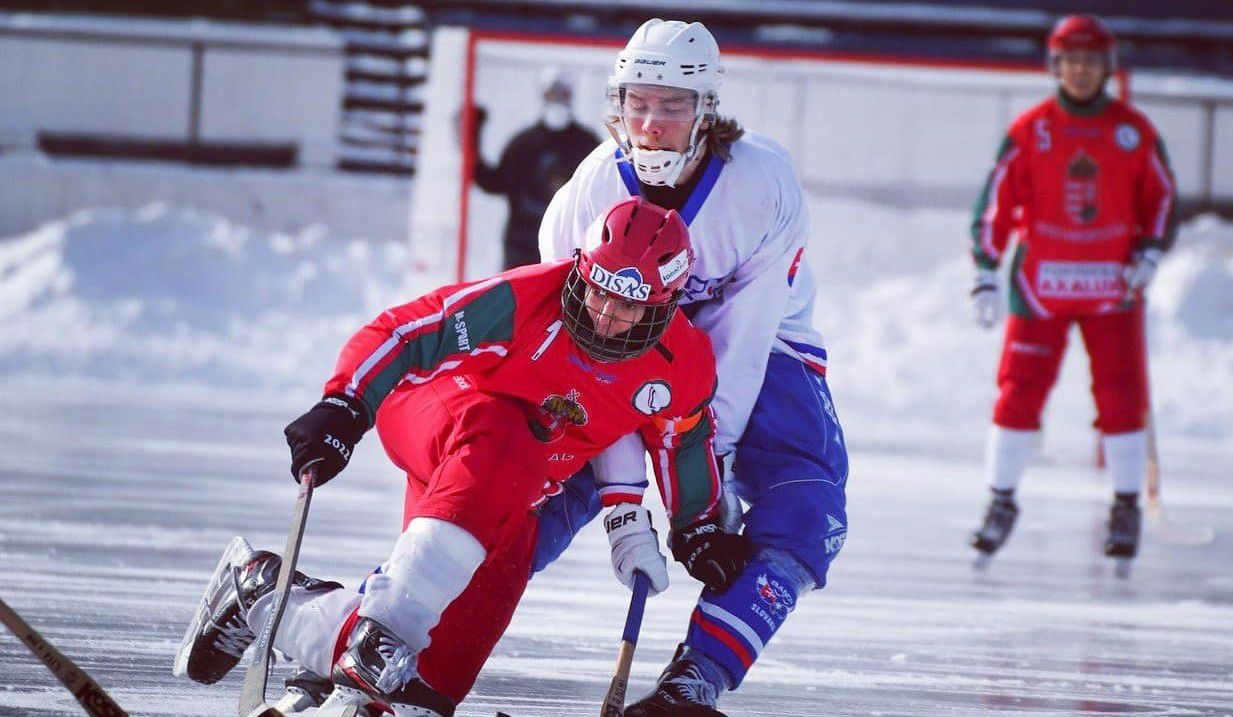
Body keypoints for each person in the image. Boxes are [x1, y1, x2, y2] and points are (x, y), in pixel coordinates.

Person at [174, 198, 727, 717]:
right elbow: (411, 329)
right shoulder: (530, 297)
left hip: (513, 489)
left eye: (627, 305)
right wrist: (346, 401)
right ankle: (383, 631)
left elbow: (683, 443)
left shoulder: (684, 365)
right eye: (596, 290)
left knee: (432, 684)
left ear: (664, 307)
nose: (603, 314)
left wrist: (698, 525)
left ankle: (267, 597)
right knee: (508, 434)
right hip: (437, 414)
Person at [536, 19, 849, 717]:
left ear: (706, 109)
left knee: (810, 509)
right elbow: (585, 356)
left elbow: (741, 338)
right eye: (637, 102)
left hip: (766, 346)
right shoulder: (584, 199)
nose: (650, 122)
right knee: (537, 484)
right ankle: (402, 622)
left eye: (672, 105)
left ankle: (695, 678)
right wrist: (624, 508)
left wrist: (703, 498)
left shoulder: (761, 184)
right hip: (622, 349)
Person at [967, 14, 1177, 573]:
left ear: (1106, 66)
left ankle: (1127, 506)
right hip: (1041, 290)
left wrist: (1150, 252)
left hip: (1113, 289)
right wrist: (987, 271)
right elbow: (996, 204)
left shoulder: (1133, 132)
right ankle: (1000, 500)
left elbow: (1159, 197)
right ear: (1055, 66)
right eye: (1070, 60)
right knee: (1018, 391)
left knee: (1122, 393)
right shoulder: (1031, 129)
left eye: (1089, 60)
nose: (1080, 71)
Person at [472, 68, 601, 269]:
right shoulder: (524, 143)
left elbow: (601, 189)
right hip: (523, 246)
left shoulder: (586, 143)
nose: (557, 100)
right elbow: (494, 182)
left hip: (570, 248)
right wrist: (472, 140)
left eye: (562, 94)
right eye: (552, 94)